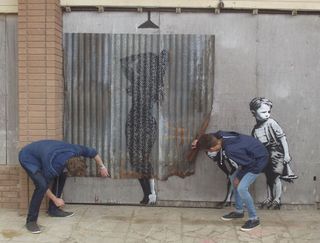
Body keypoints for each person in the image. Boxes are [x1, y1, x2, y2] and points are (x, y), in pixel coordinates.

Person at [19, 140, 109, 234]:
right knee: (41, 185)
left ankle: (53, 210)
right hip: (28, 157)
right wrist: (55, 199)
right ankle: (31, 221)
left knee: (63, 173)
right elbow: (45, 186)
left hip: (45, 152)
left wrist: (102, 167)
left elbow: (94, 153)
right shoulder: (52, 167)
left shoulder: (76, 150)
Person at [192, 131, 268, 231]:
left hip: (259, 160)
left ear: (212, 149)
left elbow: (249, 164)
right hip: (251, 153)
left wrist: (239, 177)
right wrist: (199, 142)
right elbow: (214, 134)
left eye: (209, 151)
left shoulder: (230, 151)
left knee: (241, 188)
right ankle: (239, 211)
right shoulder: (220, 136)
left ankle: (254, 219)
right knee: (233, 179)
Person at [249, 97, 298, 210]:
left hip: (275, 153)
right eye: (263, 112)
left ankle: (277, 199)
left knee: (275, 177)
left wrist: (286, 154)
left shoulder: (271, 123)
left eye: (268, 112)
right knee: (268, 177)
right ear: (254, 113)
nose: (267, 114)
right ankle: (270, 197)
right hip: (265, 155)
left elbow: (282, 138)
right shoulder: (255, 129)